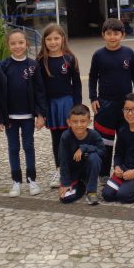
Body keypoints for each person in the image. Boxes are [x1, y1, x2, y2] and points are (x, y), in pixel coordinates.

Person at [0, 29, 47, 197]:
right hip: (10, 118)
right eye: (13, 43)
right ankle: (16, 181)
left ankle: (32, 179)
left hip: (28, 116)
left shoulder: (33, 65)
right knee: (13, 148)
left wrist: (41, 114)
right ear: (8, 45)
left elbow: (40, 91)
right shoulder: (1, 67)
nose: (17, 46)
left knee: (29, 146)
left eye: (21, 42)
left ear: (26, 43)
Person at [88, 18, 134, 182]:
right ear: (103, 35)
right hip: (105, 104)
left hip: (126, 104)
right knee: (104, 140)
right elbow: (92, 77)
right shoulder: (98, 55)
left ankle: (125, 169)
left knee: (126, 138)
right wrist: (93, 97)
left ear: (123, 35)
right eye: (109, 33)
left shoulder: (129, 53)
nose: (112, 37)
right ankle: (103, 173)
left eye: (116, 34)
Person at [37, 23, 82, 189]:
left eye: (56, 38)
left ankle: (75, 170)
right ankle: (60, 170)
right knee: (57, 140)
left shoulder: (70, 59)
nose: (53, 42)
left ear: (63, 39)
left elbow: (77, 85)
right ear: (44, 41)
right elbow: (39, 89)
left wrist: (78, 108)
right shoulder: (41, 61)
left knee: (72, 137)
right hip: (52, 105)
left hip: (68, 103)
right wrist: (41, 111)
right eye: (49, 39)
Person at [58, 104, 104, 205]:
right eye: (75, 121)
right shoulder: (65, 137)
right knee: (65, 198)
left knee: (94, 157)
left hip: (88, 171)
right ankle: (81, 186)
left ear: (89, 122)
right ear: (69, 122)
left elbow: (102, 151)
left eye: (83, 121)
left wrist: (84, 148)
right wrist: (65, 183)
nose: (79, 125)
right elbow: (63, 161)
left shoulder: (94, 135)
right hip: (73, 174)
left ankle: (91, 191)